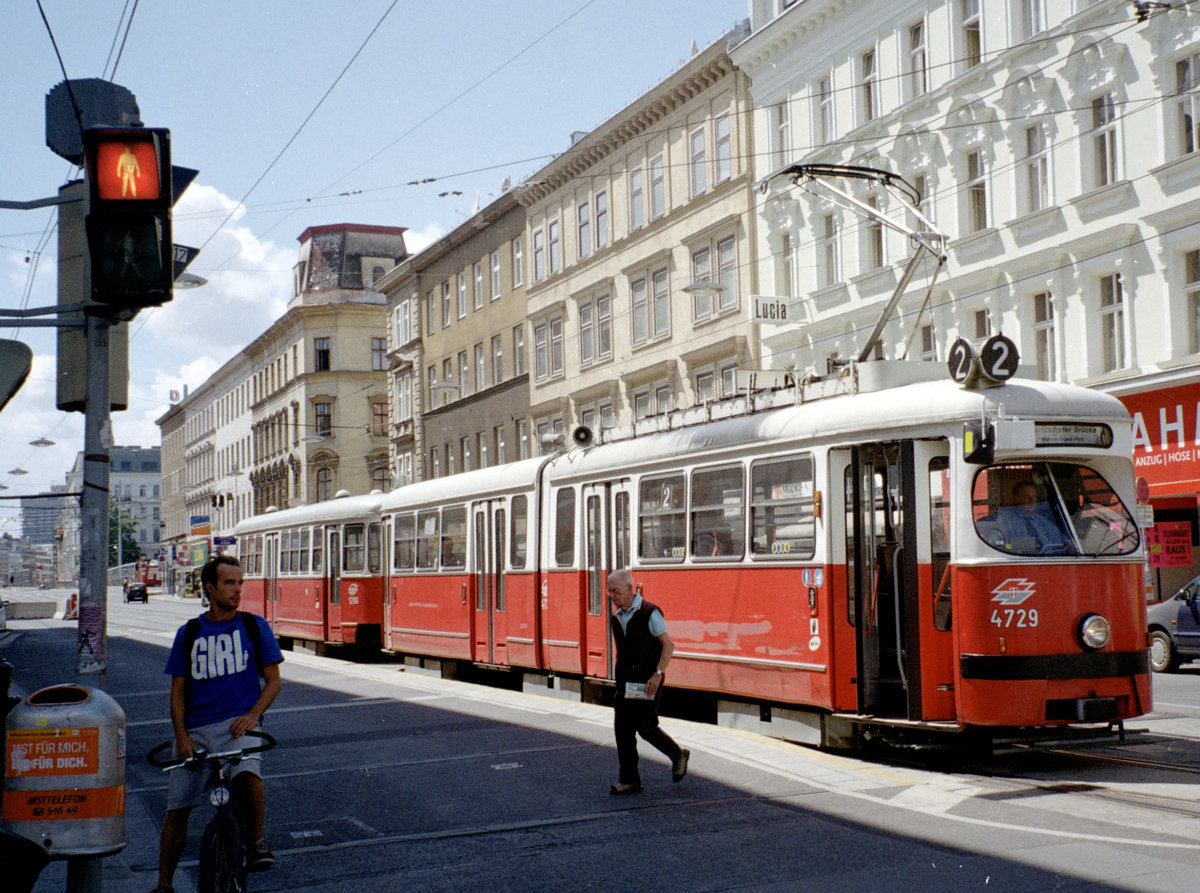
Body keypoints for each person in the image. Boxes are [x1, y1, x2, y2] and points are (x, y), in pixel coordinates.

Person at [152, 555, 283, 893]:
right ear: (210, 588)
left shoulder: (255, 627)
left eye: (240, 583)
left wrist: (252, 716)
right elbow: (178, 690)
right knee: (177, 809)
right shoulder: (189, 633)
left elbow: (273, 682)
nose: (237, 590)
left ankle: (256, 843)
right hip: (195, 732)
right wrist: (182, 736)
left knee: (248, 777)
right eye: (229, 583)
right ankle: (164, 884)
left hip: (240, 727)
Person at [607, 569, 689, 795]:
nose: (612, 596)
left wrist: (658, 673)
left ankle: (678, 754)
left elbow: (668, 645)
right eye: (609, 591)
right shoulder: (616, 617)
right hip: (625, 683)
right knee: (623, 731)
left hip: (648, 681)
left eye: (616, 591)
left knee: (646, 727)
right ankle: (630, 781)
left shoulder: (650, 612)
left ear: (629, 588)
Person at [998, 481, 1070, 553]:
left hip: (1048, 557)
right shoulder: (1006, 521)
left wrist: (1069, 543)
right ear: (1016, 499)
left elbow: (1060, 538)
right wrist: (1017, 545)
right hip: (1021, 558)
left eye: (1034, 496)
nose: (1031, 500)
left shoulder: (1041, 521)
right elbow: (1002, 545)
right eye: (1026, 496)